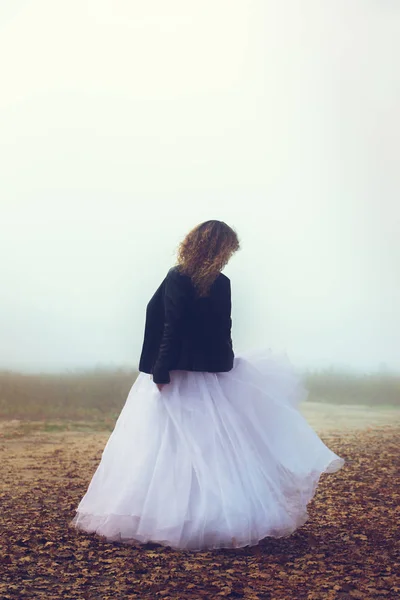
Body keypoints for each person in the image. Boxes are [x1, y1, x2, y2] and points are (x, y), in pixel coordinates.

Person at [70, 219, 345, 551]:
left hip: (178, 373)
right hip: (207, 374)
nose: (228, 258)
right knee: (207, 447)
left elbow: (173, 325)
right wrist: (222, 365)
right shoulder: (218, 281)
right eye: (227, 250)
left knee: (166, 445)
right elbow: (218, 330)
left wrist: (160, 371)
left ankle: (171, 516)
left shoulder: (179, 276)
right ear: (218, 250)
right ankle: (211, 516)